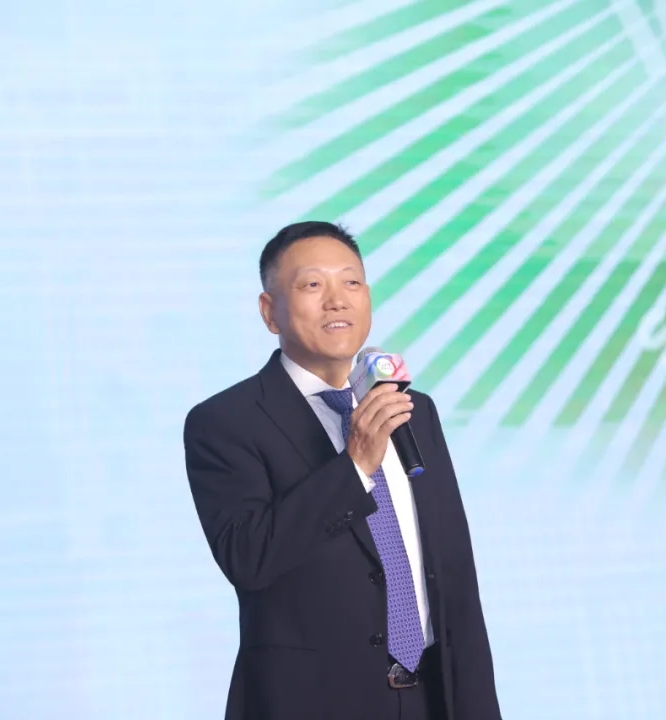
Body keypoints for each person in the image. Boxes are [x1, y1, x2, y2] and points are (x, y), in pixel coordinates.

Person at [183, 221, 501, 720]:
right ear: (269, 312)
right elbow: (249, 559)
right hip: (313, 702)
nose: (337, 300)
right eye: (312, 285)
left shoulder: (412, 409)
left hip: (432, 697)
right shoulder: (227, 422)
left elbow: (454, 573)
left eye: (351, 282)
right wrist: (354, 466)